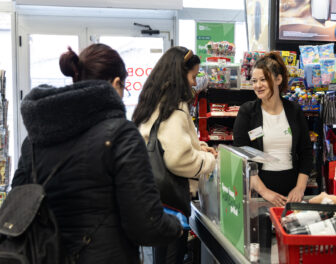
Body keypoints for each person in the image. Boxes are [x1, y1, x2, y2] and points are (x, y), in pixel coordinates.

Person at [12, 44, 182, 264]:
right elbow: (145, 224)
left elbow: (19, 202)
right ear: (116, 83)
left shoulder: (34, 139)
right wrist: (175, 227)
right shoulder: (121, 135)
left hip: (44, 256)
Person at [132, 46, 216, 264]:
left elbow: (165, 145)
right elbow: (178, 159)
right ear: (180, 74)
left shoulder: (152, 103)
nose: (194, 82)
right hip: (171, 205)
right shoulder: (175, 108)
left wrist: (198, 148)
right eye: (193, 76)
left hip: (154, 201)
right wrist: (209, 160)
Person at [233, 51, 313, 207]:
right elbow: (242, 156)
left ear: (278, 79)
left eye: (263, 79)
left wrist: (300, 188)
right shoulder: (247, 112)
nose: (257, 85)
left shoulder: (294, 110)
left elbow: (306, 152)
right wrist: (264, 192)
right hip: (259, 190)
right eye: (254, 80)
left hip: (292, 190)